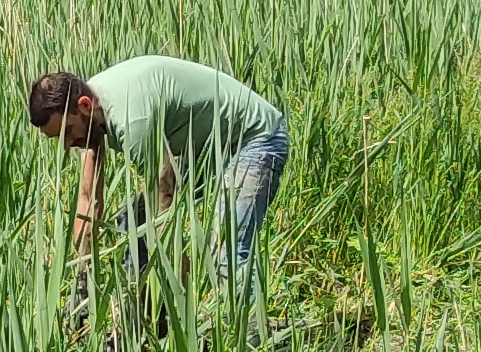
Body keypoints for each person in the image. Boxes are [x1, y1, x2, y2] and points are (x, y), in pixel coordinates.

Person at [27, 57, 290, 304]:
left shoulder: (132, 120)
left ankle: (251, 338)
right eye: (58, 138)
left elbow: (165, 214)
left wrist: (185, 303)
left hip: (254, 139)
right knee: (133, 220)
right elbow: (88, 202)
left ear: (84, 105)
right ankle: (143, 309)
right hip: (204, 148)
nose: (66, 145)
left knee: (227, 251)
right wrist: (81, 281)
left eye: (68, 131)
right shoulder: (90, 112)